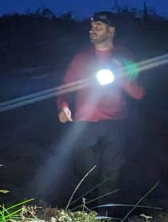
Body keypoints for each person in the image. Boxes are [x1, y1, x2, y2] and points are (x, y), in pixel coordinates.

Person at [56, 11, 144, 209]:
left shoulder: (124, 57)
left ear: (111, 31)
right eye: (91, 27)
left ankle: (107, 220)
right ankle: (84, 215)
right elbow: (66, 85)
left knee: (113, 173)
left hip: (115, 124)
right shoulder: (82, 57)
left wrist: (121, 73)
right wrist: (63, 106)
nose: (92, 30)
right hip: (85, 123)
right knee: (87, 172)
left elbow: (138, 93)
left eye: (98, 27)